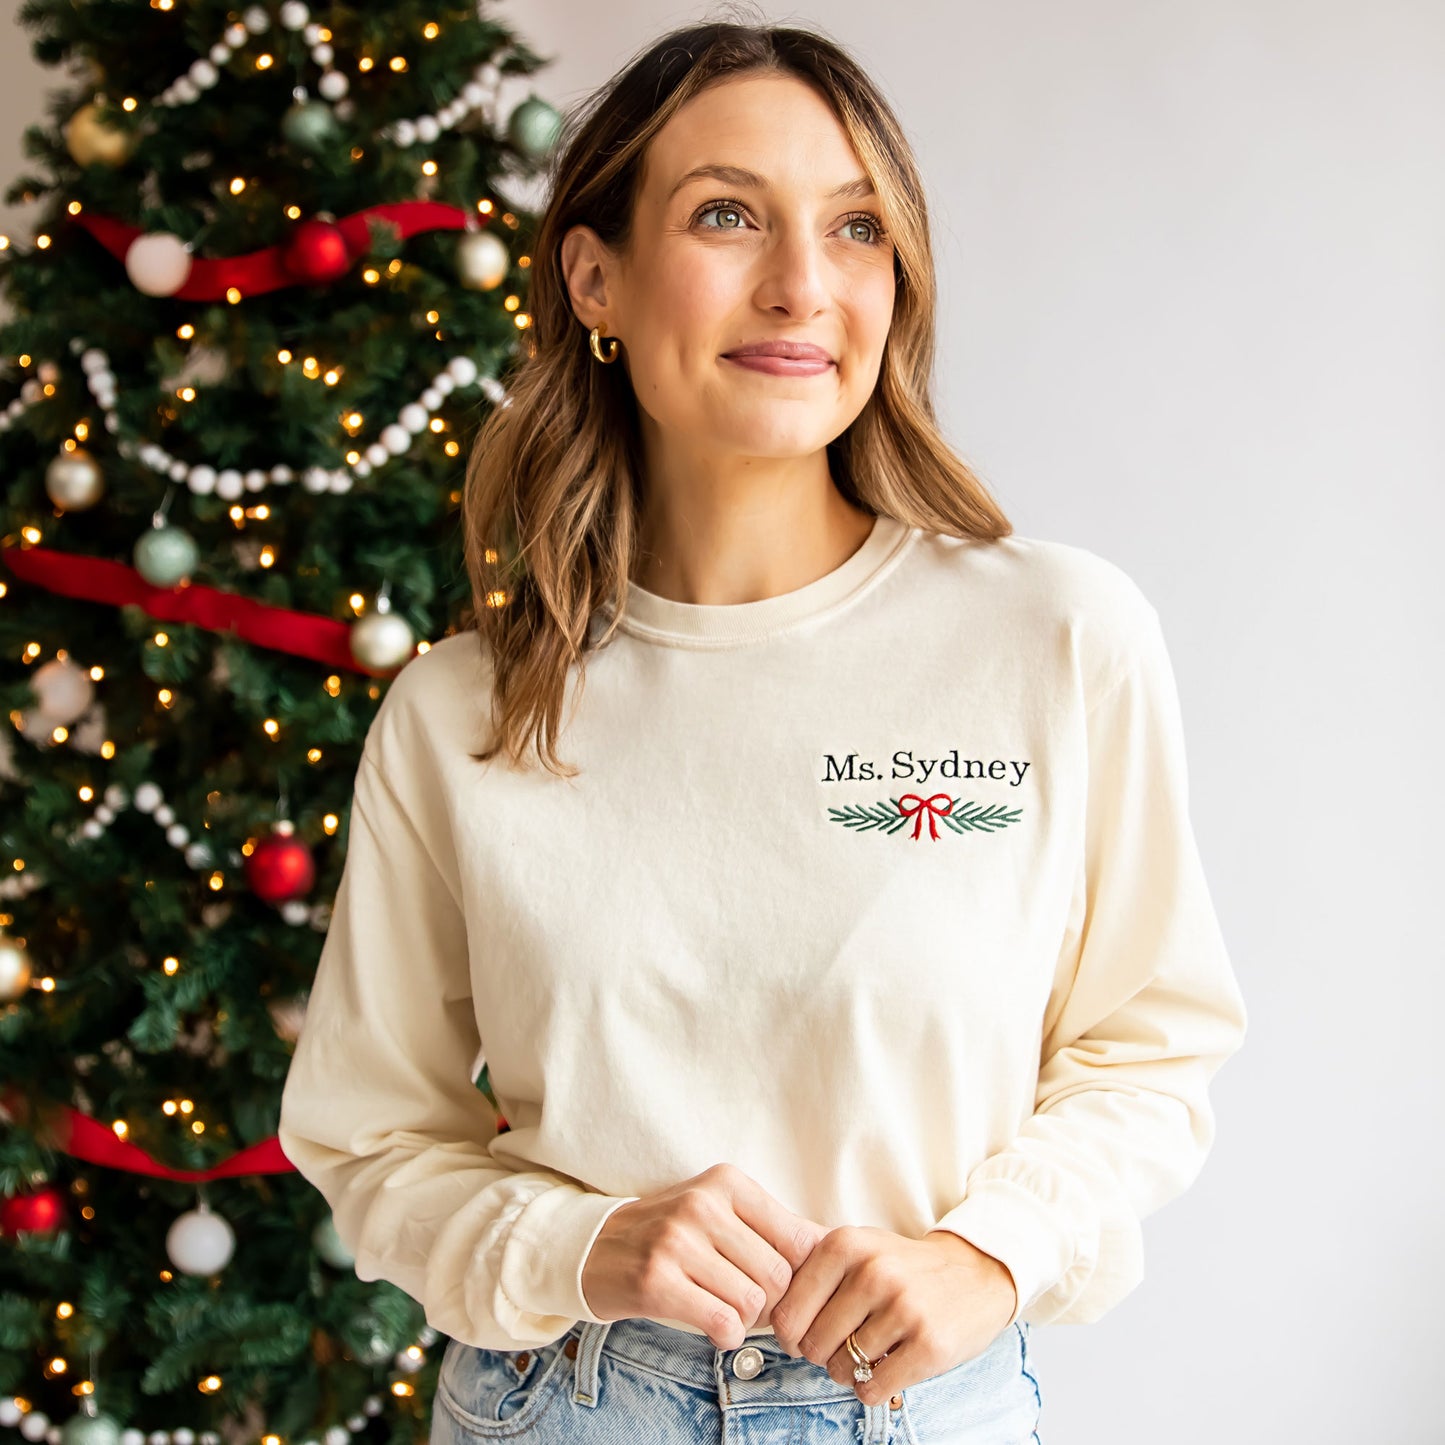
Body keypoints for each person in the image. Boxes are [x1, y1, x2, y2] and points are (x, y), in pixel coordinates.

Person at [277, 14, 1248, 1445]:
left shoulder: (1055, 636)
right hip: (567, 1405)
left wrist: (992, 1250)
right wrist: (579, 1247)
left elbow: (1149, 1051)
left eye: (855, 227)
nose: (801, 284)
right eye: (727, 214)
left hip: (927, 1411)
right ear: (593, 275)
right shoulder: (459, 717)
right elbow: (368, 1139)